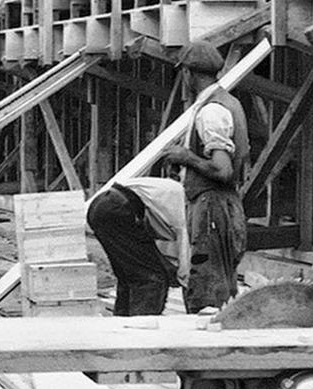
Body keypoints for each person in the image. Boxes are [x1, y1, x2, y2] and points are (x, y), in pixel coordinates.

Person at [161, 41, 249, 311]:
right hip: (220, 204)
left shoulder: (212, 110)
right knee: (218, 283)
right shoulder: (227, 102)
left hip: (212, 206)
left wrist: (186, 157)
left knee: (207, 289)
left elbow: (223, 169)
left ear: (188, 73)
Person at [86, 176, 188, 316]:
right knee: (151, 279)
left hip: (100, 206)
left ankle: (122, 324)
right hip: (118, 208)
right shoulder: (184, 205)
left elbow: (152, 248)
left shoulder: (169, 194)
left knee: (129, 276)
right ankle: (142, 328)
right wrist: (185, 279)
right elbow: (184, 253)